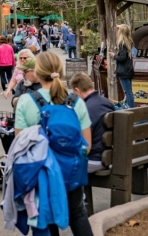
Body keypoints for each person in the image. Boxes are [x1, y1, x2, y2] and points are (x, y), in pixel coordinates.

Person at [13, 51, 94, 236]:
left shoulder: (26, 101)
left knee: (45, 220)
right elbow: (86, 146)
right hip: (71, 172)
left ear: (38, 72)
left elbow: (20, 145)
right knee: (78, 214)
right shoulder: (76, 102)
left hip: (40, 172)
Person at [69, 72, 115, 174]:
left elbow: (82, 143)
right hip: (108, 156)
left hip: (93, 159)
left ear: (77, 90)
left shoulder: (84, 108)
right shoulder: (107, 103)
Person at [114, 25, 135, 108]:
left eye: (119, 29)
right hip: (129, 69)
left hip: (123, 70)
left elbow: (122, 58)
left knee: (127, 91)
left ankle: (131, 108)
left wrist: (114, 56)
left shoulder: (122, 43)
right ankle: (129, 106)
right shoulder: (129, 42)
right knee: (129, 91)